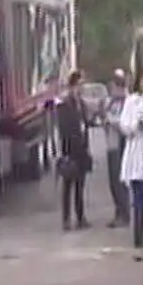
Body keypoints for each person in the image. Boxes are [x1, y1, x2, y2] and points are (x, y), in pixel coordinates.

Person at [119, 67, 143, 260]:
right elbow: (124, 126)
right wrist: (138, 124)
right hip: (137, 159)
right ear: (139, 82)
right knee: (139, 204)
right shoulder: (131, 101)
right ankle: (138, 244)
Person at [56, 70, 92, 231]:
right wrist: (65, 151)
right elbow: (64, 129)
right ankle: (66, 219)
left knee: (80, 186)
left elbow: (85, 124)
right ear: (73, 85)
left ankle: (80, 217)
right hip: (70, 150)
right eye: (80, 85)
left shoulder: (81, 104)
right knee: (68, 186)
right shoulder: (64, 104)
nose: (82, 88)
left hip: (82, 150)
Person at [104, 76, 130, 228]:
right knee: (113, 183)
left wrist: (111, 120)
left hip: (120, 146)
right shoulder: (111, 102)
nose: (111, 91)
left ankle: (124, 214)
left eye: (113, 88)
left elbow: (125, 125)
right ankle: (118, 211)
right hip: (111, 145)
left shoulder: (127, 103)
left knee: (120, 182)